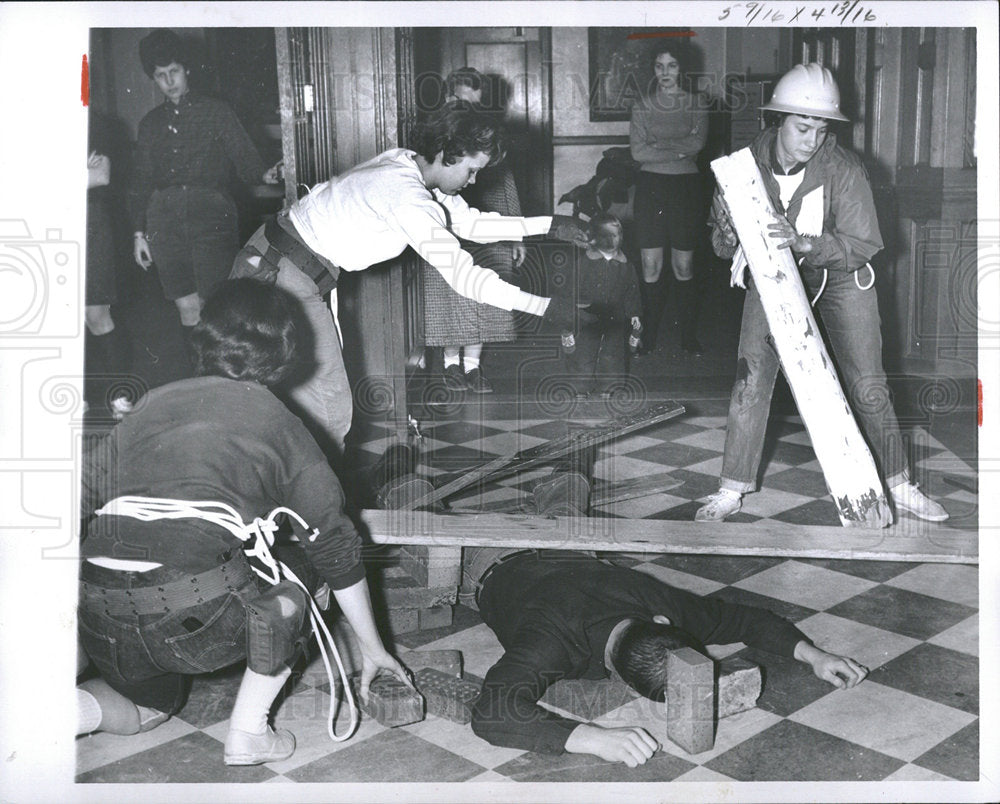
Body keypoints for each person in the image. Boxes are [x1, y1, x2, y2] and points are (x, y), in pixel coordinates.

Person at [77, 279, 411, 766]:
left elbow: (71, 502)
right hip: (195, 619)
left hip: (100, 612)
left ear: (204, 339)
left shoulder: (148, 406)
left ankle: (61, 713)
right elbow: (336, 550)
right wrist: (373, 646)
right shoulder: (279, 422)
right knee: (302, 574)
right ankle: (249, 732)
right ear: (288, 355)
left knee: (151, 706)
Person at [231, 100, 585, 452]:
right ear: (448, 152)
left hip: (279, 260)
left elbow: (469, 223)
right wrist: (542, 307)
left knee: (297, 396)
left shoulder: (406, 164)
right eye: (471, 170)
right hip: (279, 273)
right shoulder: (407, 197)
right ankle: (313, 498)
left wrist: (550, 225)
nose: (473, 180)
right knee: (328, 407)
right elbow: (466, 278)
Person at [695, 63, 948, 524]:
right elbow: (718, 242)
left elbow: (864, 244)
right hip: (773, 277)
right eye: (802, 127)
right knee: (750, 380)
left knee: (868, 384)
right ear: (777, 121)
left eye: (821, 129)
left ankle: (900, 484)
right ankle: (732, 487)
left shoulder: (844, 169)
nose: (812, 140)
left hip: (842, 275)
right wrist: (729, 234)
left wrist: (806, 243)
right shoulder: (741, 167)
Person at [464, 550, 867, 765]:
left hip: (570, 546)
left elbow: (747, 620)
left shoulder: (661, 604)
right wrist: (588, 738)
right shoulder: (548, 640)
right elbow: (491, 712)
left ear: (662, 622)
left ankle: (565, 482)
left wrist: (815, 655)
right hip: (491, 560)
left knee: (568, 500)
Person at [128, 29, 279, 341]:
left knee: (215, 305)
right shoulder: (150, 124)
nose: (169, 81)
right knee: (185, 306)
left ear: (187, 70)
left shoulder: (216, 111)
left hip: (211, 214)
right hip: (164, 220)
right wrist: (139, 234)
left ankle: (222, 384)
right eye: (160, 75)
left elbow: (246, 161)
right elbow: (140, 180)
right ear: (153, 79)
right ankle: (198, 382)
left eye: (174, 71)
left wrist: (266, 175)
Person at [424, 68, 525, 394]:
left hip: (488, 223)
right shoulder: (434, 137)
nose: (469, 111)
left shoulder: (486, 136)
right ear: (448, 98)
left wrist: (515, 233)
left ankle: (472, 367)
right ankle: (451, 364)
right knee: (451, 296)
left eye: (476, 104)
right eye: (461, 102)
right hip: (449, 225)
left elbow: (507, 183)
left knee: (485, 293)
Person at [629, 43, 708, 356]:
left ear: (682, 69)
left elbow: (697, 143)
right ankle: (647, 335)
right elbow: (638, 152)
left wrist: (658, 145)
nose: (664, 72)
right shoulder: (642, 106)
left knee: (683, 266)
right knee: (650, 266)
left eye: (671, 65)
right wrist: (678, 148)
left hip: (686, 190)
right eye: (659, 65)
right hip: (650, 188)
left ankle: (688, 337)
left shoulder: (698, 103)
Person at [558, 213, 643, 398]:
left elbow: (632, 290)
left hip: (615, 317)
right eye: (607, 235)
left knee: (613, 354)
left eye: (616, 235)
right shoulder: (583, 263)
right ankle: (580, 388)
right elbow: (570, 290)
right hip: (586, 317)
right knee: (583, 354)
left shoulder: (626, 265)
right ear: (594, 239)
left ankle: (609, 386)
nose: (612, 240)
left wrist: (634, 313)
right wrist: (568, 316)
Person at [84, 121, 132, 419]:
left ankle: (121, 396)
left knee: (96, 315)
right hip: (50, 224)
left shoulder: (92, 123)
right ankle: (80, 395)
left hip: (90, 227)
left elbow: (101, 175)